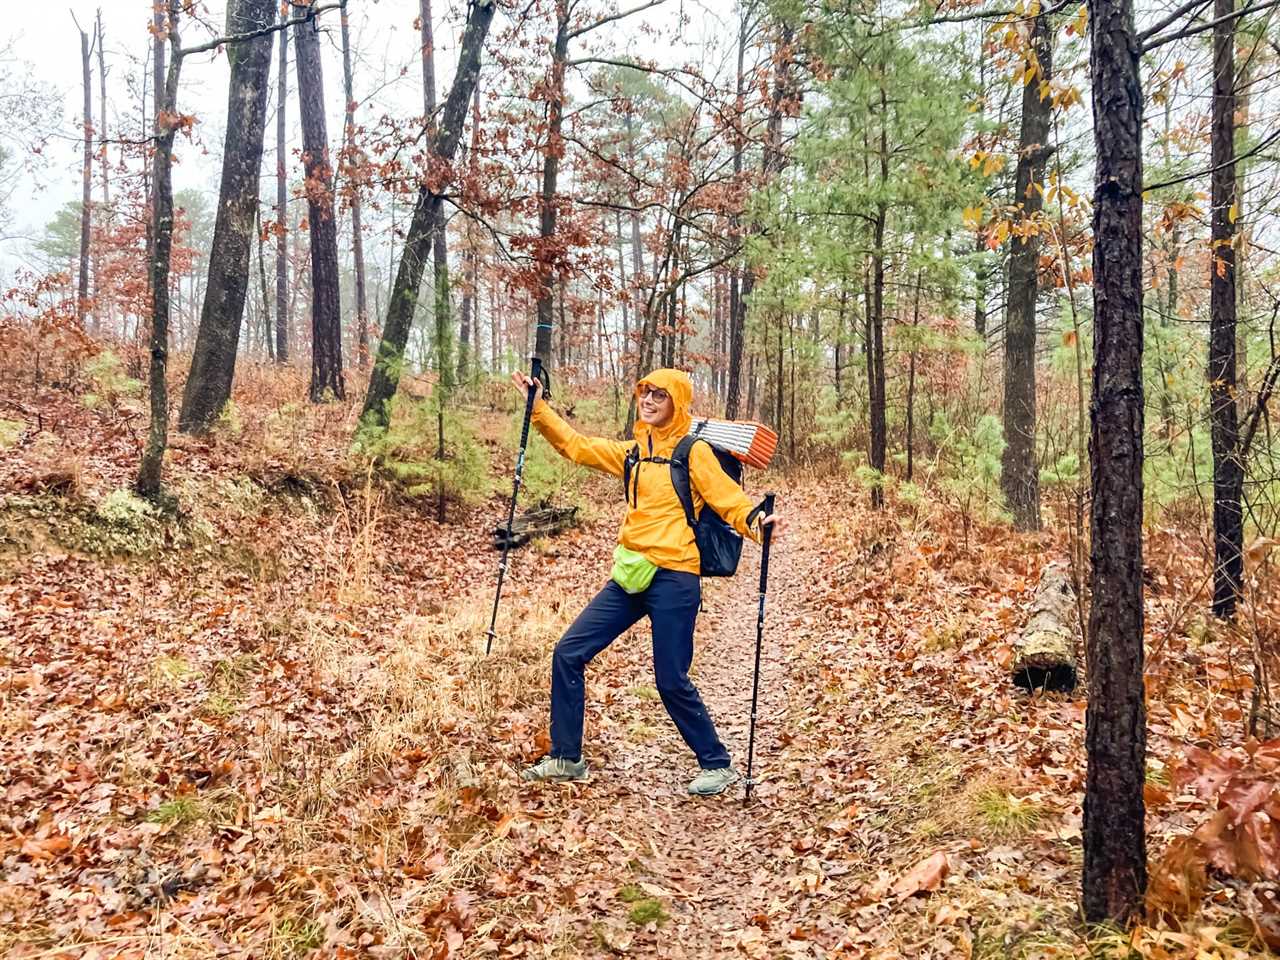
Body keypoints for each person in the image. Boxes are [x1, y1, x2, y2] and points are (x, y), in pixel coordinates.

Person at [510, 367, 786, 796]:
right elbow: (577, 446)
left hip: (675, 577)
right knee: (568, 652)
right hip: (631, 573)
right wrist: (539, 408)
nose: (649, 400)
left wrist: (756, 523)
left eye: (660, 394)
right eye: (644, 392)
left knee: (670, 678)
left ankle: (717, 763)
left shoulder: (693, 453)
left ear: (677, 402)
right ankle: (566, 757)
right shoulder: (632, 453)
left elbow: (727, 499)